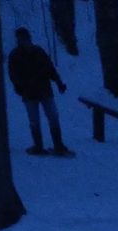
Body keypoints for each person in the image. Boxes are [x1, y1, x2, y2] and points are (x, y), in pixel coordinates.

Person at [6, 27, 71, 156]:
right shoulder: (15, 56)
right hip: (28, 92)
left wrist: (58, 82)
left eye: (25, 38)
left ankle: (58, 144)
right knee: (34, 119)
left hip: (44, 90)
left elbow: (50, 68)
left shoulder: (39, 51)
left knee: (53, 116)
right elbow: (12, 74)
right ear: (18, 40)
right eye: (21, 39)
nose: (24, 41)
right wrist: (18, 86)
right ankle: (38, 146)